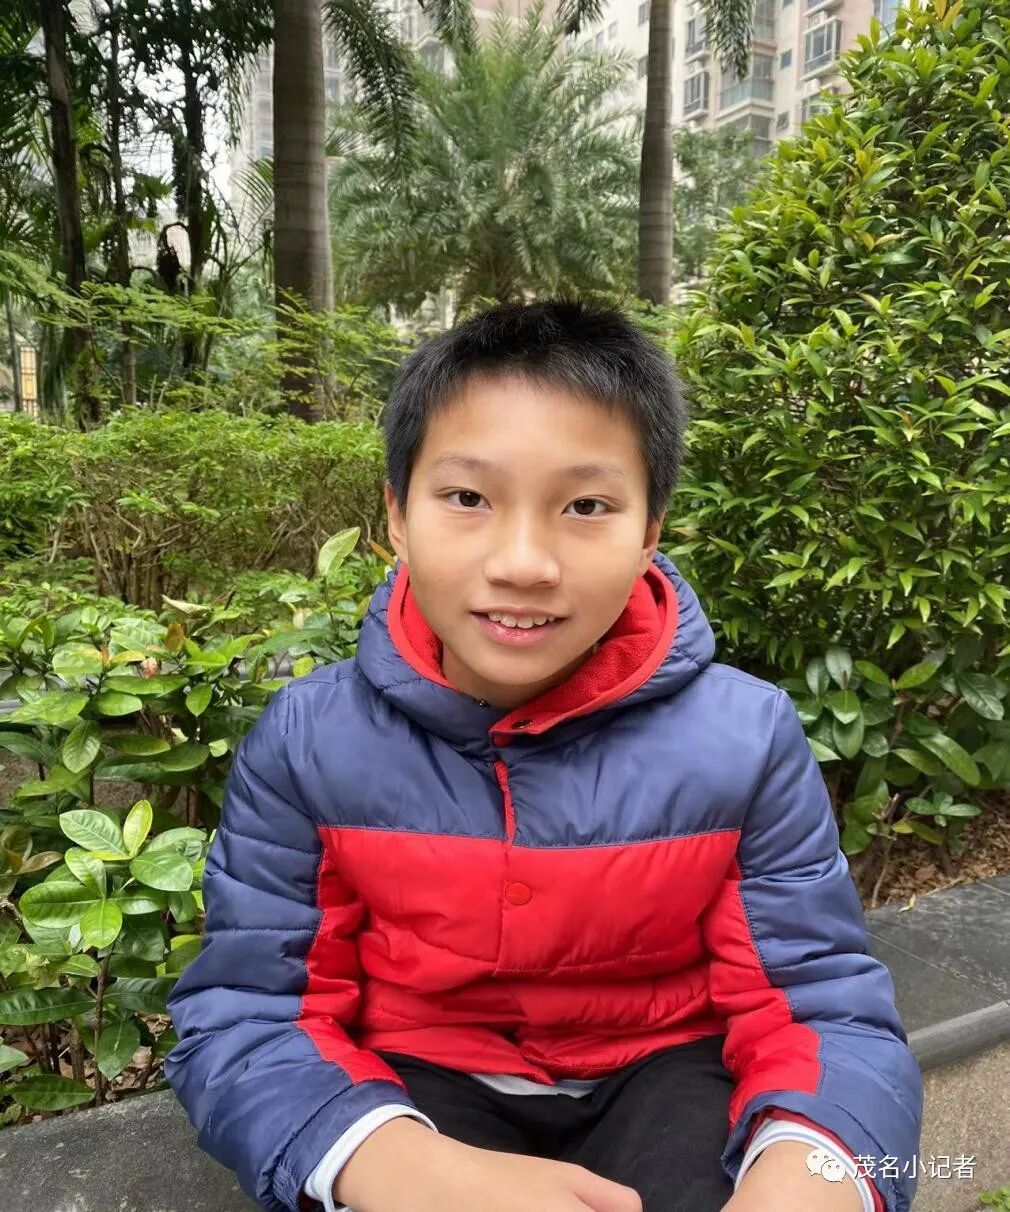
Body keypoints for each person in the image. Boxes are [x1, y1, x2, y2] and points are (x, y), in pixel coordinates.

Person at [164, 298, 923, 1212]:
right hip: (410, 1082)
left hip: (673, 1074)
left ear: (650, 531)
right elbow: (251, 1014)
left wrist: (814, 1170)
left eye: (587, 505)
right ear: (397, 515)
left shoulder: (747, 736)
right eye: (468, 498)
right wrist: (401, 1166)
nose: (524, 562)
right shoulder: (307, 737)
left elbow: (821, 1007)